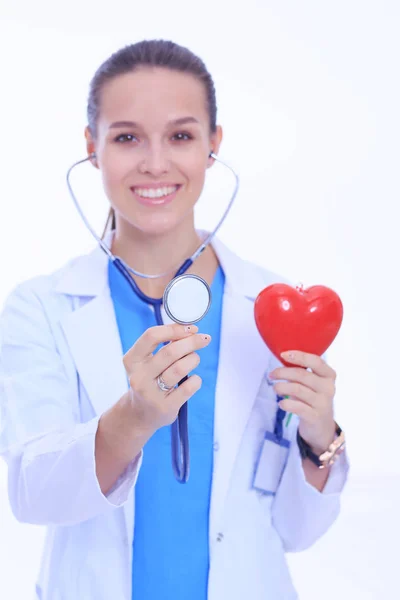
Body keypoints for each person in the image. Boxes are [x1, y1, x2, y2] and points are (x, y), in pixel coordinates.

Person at [0, 39, 349, 600]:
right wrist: (133, 418)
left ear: (214, 145)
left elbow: (299, 531)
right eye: (127, 137)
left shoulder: (270, 307)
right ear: (92, 147)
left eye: (181, 136)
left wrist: (318, 435)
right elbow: (33, 495)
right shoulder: (42, 307)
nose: (155, 163)